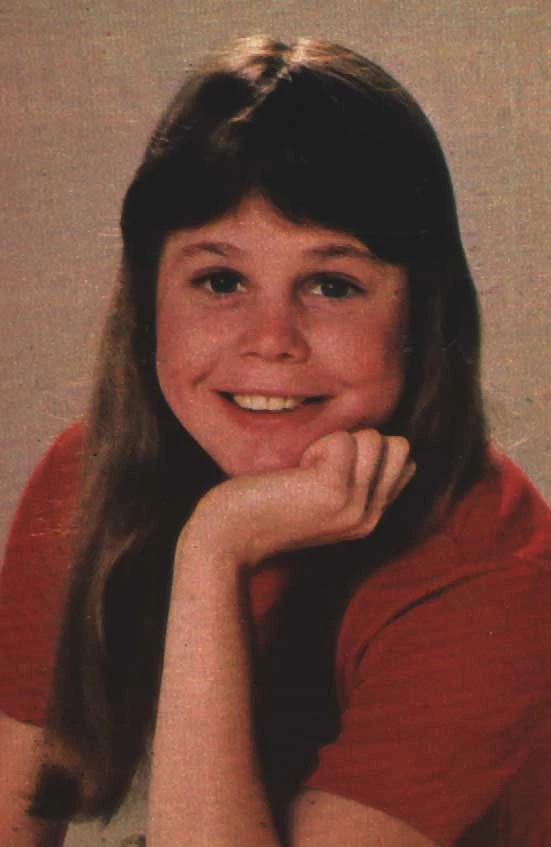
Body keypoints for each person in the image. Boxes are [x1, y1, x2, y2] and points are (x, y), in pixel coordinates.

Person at [0, 35, 549, 847]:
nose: (271, 340)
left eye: (331, 285)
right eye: (220, 280)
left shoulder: (492, 573)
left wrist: (216, 543)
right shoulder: (87, 484)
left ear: (419, 314)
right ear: (149, 304)